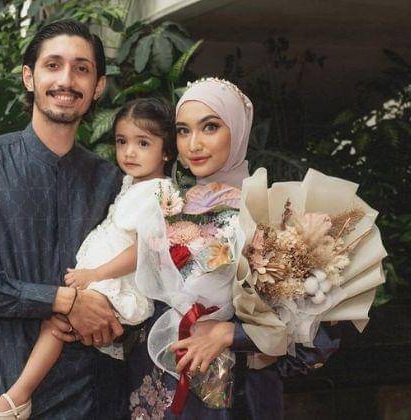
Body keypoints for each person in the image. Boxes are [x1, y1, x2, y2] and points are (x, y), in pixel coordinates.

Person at [0, 19, 128, 419]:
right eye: (53, 65)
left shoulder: (110, 179)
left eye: (81, 69)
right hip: (12, 397)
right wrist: (60, 300)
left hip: (97, 396)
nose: (66, 80)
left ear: (98, 86)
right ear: (29, 77)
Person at [127, 78, 341, 419]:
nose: (194, 144)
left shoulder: (274, 213)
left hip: (241, 396)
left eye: (210, 127)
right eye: (183, 131)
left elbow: (316, 330)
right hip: (160, 387)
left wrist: (232, 333)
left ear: (239, 131)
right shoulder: (164, 204)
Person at [0, 97, 177, 419]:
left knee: (58, 326)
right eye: (122, 142)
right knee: (59, 324)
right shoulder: (129, 183)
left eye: (143, 143)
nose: (129, 152)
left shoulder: (161, 194)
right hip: (103, 278)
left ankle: (16, 398)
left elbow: (145, 251)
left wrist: (96, 274)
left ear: (166, 151)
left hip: (117, 280)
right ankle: (17, 398)